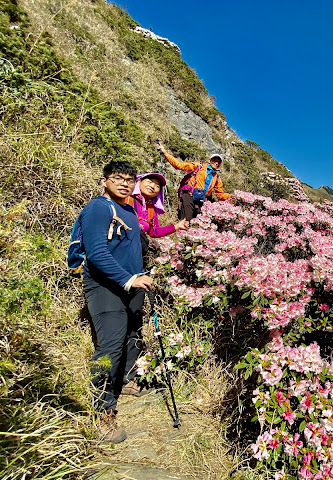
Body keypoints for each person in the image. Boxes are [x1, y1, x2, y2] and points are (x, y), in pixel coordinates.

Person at [79, 161, 153, 443]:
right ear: (104, 180)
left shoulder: (130, 211)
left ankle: (126, 380)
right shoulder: (98, 207)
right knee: (109, 346)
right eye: (117, 177)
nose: (124, 182)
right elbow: (96, 253)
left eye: (129, 179)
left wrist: (141, 277)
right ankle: (101, 410)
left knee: (132, 333)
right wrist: (129, 279)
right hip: (105, 286)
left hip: (133, 284)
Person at [156, 141, 232, 221]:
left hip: (202, 200)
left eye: (219, 162)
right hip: (189, 195)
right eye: (214, 160)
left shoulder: (217, 178)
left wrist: (232, 197)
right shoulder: (199, 166)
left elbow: (220, 194)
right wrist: (164, 152)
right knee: (187, 219)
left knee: (200, 223)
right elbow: (178, 165)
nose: (216, 163)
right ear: (210, 160)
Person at [125, 172, 189, 258]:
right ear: (139, 182)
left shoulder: (151, 209)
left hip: (135, 252)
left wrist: (176, 226)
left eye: (157, 186)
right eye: (150, 181)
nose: (152, 186)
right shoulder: (125, 197)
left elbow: (154, 232)